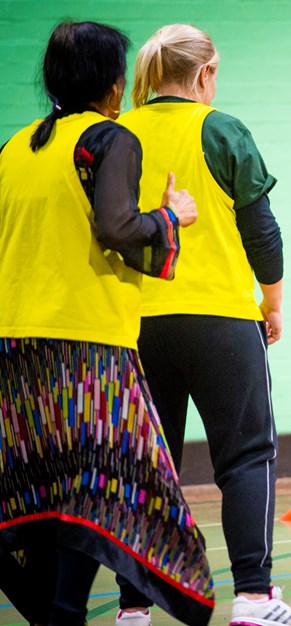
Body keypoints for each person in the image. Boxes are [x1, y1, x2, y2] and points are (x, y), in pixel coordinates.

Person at [0, 21, 214, 626]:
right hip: (86, 343)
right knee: (102, 485)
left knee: (44, 486)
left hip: (16, 342)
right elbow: (119, 229)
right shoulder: (108, 139)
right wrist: (170, 218)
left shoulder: (15, 146)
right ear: (112, 83)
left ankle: (49, 611)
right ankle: (65, 609)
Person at [114, 24, 291, 626]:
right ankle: (254, 599)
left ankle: (132, 609)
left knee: (147, 464)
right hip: (222, 319)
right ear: (204, 75)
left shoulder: (114, 135)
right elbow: (263, 231)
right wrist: (273, 302)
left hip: (136, 325)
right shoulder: (222, 129)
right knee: (247, 457)